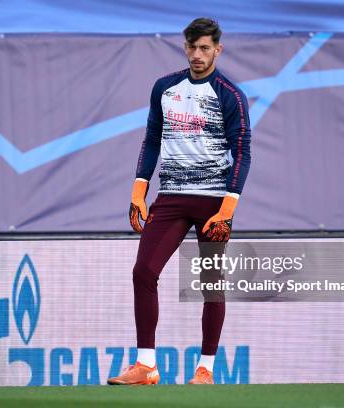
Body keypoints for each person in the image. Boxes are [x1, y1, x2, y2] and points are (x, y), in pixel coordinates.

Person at [107, 17, 251, 385]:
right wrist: (139, 191)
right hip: (170, 199)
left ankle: (206, 370)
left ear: (218, 49)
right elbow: (152, 138)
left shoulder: (230, 95)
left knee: (211, 284)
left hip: (213, 203)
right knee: (144, 272)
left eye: (205, 48)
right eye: (191, 47)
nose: (197, 55)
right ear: (184, 47)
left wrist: (227, 209)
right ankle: (146, 366)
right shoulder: (165, 88)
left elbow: (242, 152)